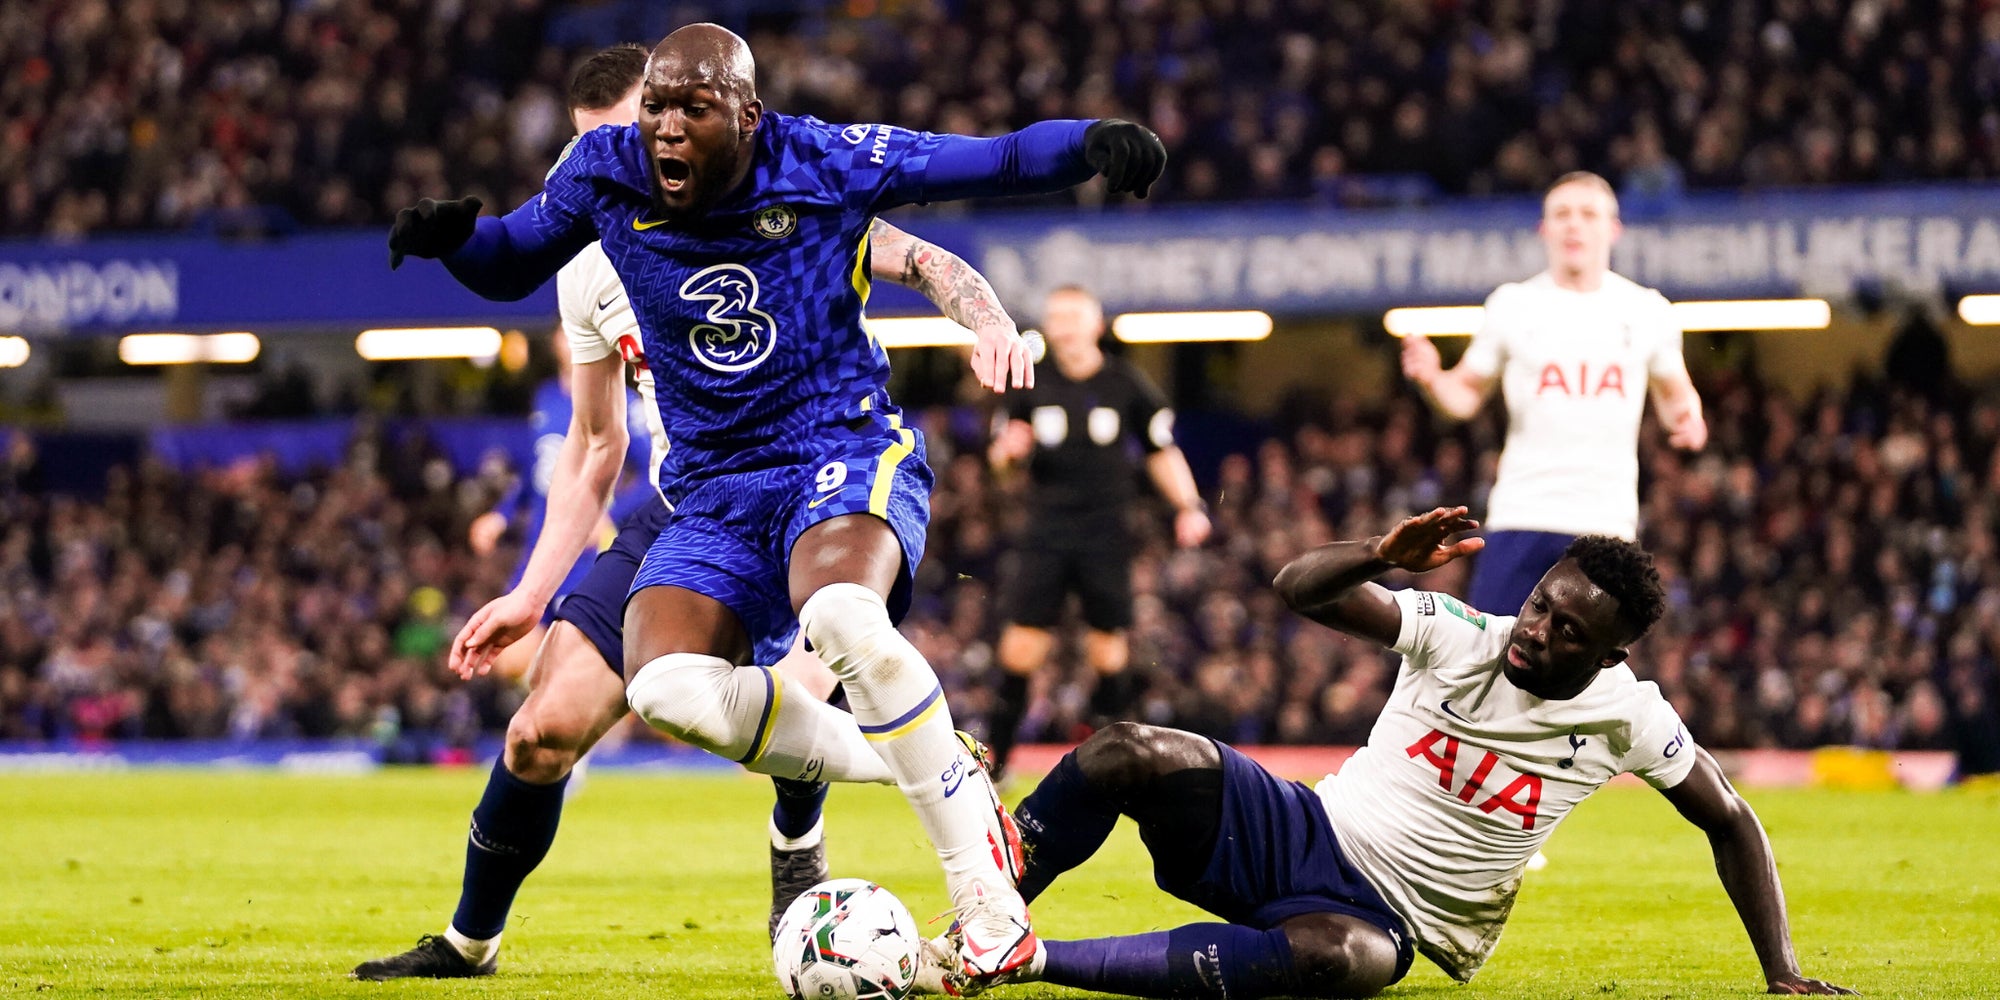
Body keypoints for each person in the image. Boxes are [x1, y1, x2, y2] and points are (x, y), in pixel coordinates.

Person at [383, 23, 1167, 985]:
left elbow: (989, 162)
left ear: (747, 116)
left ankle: (983, 897)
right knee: (661, 688)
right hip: (708, 493)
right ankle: (923, 761)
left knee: (840, 614)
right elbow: (511, 263)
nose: (663, 134)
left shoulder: (818, 162)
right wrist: (454, 237)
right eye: (656, 113)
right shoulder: (602, 178)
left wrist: (1088, 145)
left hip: (836, 450)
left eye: (689, 111)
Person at [919, 507, 1853, 998]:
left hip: (1397, 923)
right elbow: (1298, 588)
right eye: (1539, 605)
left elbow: (1729, 818)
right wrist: (1378, 553)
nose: (1534, 631)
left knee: (1347, 960)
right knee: (1126, 748)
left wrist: (1779, 967)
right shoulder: (1463, 632)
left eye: (1567, 632)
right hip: (1305, 828)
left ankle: (1027, 961)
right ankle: (983, 919)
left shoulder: (1633, 720)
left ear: (1609, 656)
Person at [1400, 171, 1707, 615]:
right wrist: (1432, 376)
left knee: (1589, 675)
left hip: (1606, 523)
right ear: (1543, 228)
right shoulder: (1511, 305)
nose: (1574, 225)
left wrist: (1690, 421)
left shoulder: (1646, 311)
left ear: (1613, 228)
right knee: (1494, 656)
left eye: (1588, 214)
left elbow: (1678, 395)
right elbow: (1464, 396)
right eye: (1561, 214)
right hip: (1522, 512)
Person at [985, 284, 1209, 777]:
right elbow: (1001, 462)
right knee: (1022, 647)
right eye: (1055, 316)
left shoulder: (1125, 383)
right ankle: (996, 764)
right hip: (1046, 530)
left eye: (1073, 315)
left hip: (1105, 532)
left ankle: (1118, 766)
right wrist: (1007, 455)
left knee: (1107, 649)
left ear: (1096, 324)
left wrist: (1189, 506)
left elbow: (1161, 450)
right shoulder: (1028, 382)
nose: (1063, 325)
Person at [465, 327, 645, 681]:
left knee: (581, 666)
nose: (573, 341)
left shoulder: (626, 402)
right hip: (541, 545)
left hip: (591, 554)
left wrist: (610, 516)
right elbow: (537, 469)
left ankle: (603, 725)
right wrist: (501, 515)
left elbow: (657, 473)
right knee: (511, 660)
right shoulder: (546, 398)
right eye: (566, 332)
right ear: (555, 342)